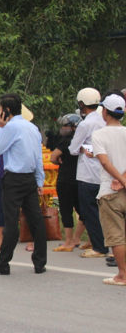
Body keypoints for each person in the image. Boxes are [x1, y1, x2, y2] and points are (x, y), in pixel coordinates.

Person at [0, 93, 46, 275]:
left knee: (11, 222)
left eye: (0, 109)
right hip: (30, 178)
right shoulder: (32, 128)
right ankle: (40, 262)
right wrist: (39, 179)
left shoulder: (10, 128)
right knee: (36, 221)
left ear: (6, 111)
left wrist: (0, 128)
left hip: (14, 179)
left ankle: (3, 263)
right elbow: (37, 156)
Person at [69, 87, 108, 259]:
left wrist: (83, 148)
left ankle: (98, 246)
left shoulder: (85, 124)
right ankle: (104, 242)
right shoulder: (104, 121)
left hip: (87, 174)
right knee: (102, 212)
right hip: (104, 172)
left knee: (89, 211)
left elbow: (72, 149)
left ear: (82, 104)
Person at [91, 94, 126, 286]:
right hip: (123, 187)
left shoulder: (99, 134)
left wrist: (119, 180)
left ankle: (122, 275)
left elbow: (104, 161)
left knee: (116, 235)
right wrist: (124, 179)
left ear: (105, 112)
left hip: (109, 190)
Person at [50, 113, 86, 252]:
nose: (63, 128)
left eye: (66, 125)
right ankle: (77, 238)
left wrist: (59, 160)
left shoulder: (66, 141)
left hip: (65, 179)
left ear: (73, 127)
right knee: (83, 210)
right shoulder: (83, 140)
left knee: (66, 209)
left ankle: (69, 241)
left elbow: (53, 157)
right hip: (80, 178)